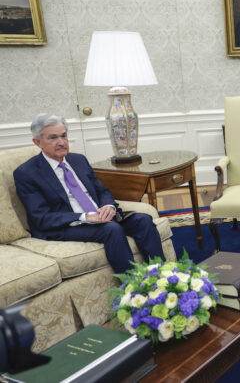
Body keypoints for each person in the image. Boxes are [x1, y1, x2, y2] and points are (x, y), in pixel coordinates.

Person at [13, 114, 165, 273]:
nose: (61, 142)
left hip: (101, 217)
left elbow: (102, 191)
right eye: (53, 138)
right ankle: (133, 287)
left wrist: (108, 206)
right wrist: (85, 217)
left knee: (143, 220)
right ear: (37, 142)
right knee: (112, 229)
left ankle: (162, 276)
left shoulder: (78, 160)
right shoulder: (27, 173)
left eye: (64, 136)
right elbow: (41, 217)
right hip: (68, 225)